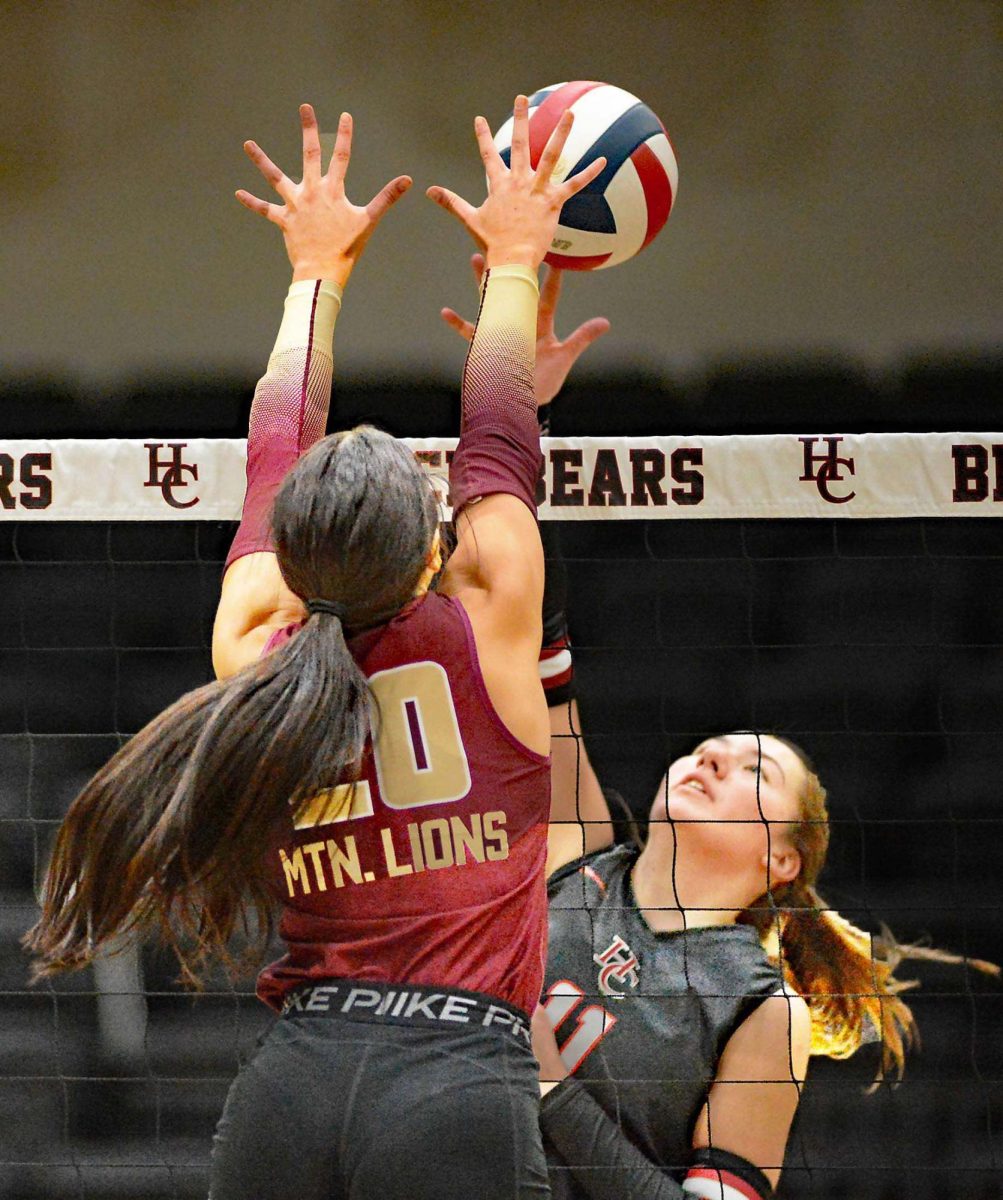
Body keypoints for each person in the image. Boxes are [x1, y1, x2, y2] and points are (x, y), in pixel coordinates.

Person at [25, 98, 607, 1199]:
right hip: (455, 1078)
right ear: (433, 542)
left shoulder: (256, 647)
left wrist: (314, 273)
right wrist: (515, 260)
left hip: (291, 1087)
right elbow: (496, 432)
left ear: (293, 555)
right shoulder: (481, 617)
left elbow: (273, 441)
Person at [443, 276, 999, 1200]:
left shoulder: (760, 1009)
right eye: (716, 746)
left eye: (754, 771)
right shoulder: (579, 851)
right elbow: (523, 601)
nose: (713, 755)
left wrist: (551, 1088)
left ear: (782, 860)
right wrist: (513, 399)